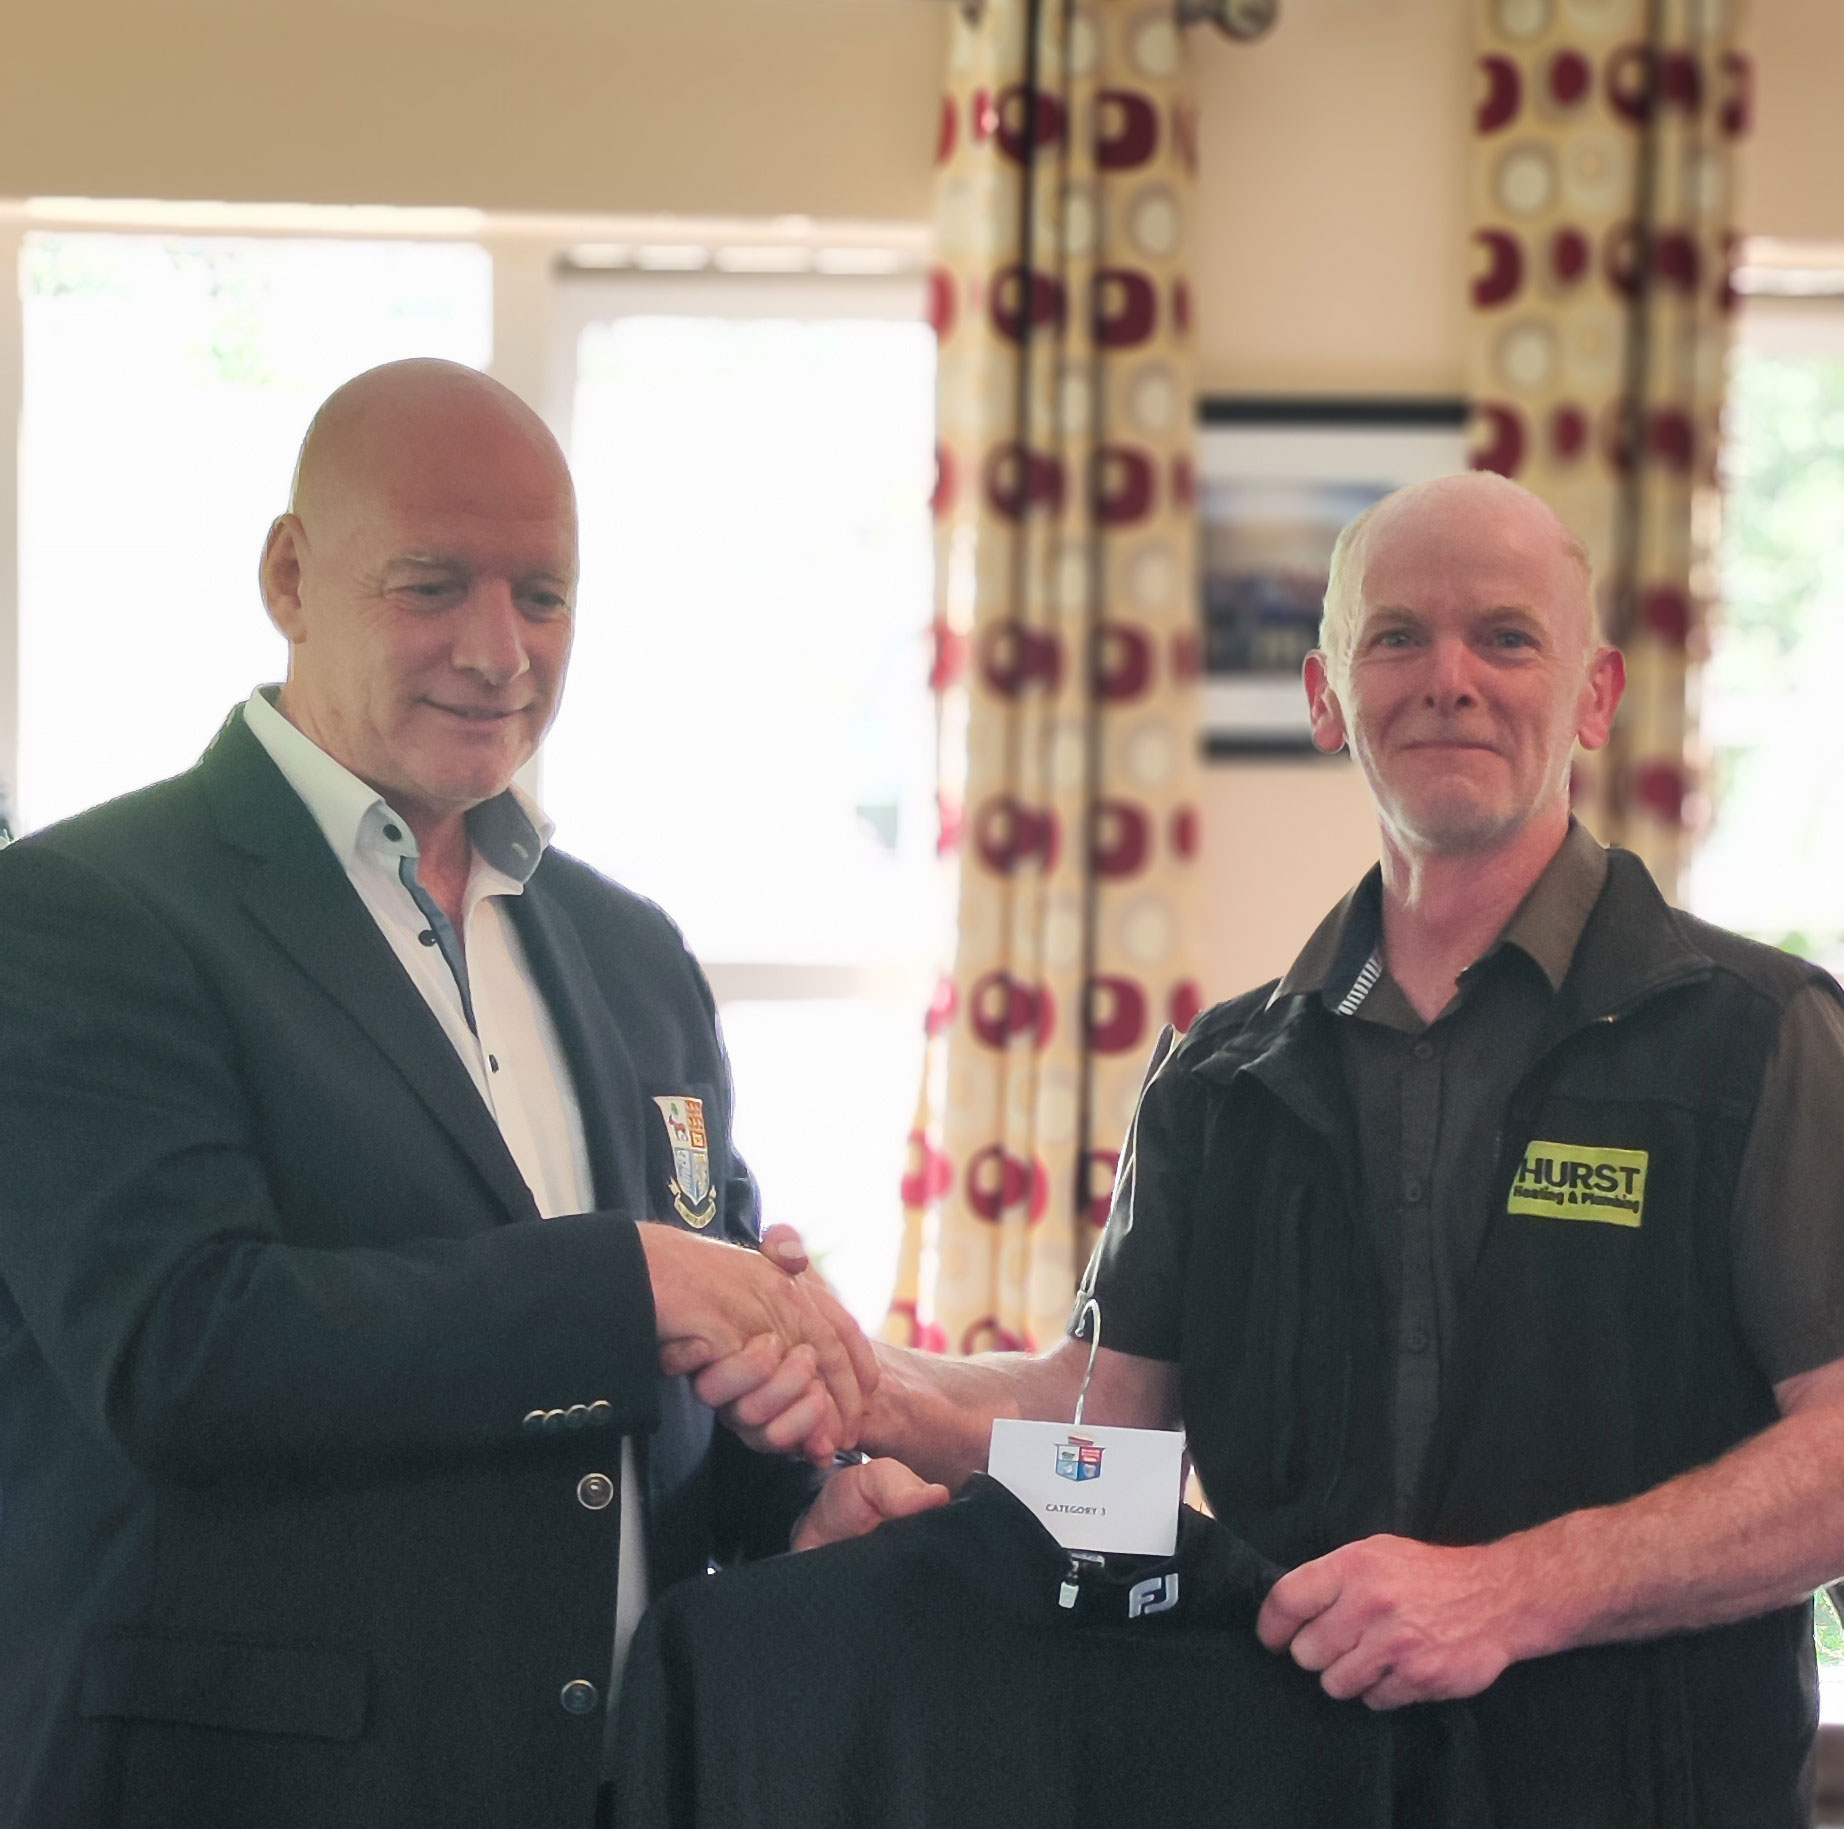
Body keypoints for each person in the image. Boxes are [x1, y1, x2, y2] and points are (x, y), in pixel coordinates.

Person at [0, 358, 940, 1829]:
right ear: (290, 575)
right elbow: (181, 1347)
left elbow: (677, 1374)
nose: (499, 651)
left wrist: (791, 1489)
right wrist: (634, 1280)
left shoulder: (633, 954)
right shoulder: (78, 915)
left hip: (620, 1780)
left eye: (544, 597)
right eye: (432, 584)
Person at [863, 471, 1844, 1825]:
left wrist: (1513, 1590)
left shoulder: (1759, 1043)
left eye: (1506, 636)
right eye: (1396, 637)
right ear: (1326, 696)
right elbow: (1106, 1443)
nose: (1450, 676)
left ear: (1596, 695)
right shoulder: (1219, 1080)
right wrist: (870, 1390)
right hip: (1288, 1783)